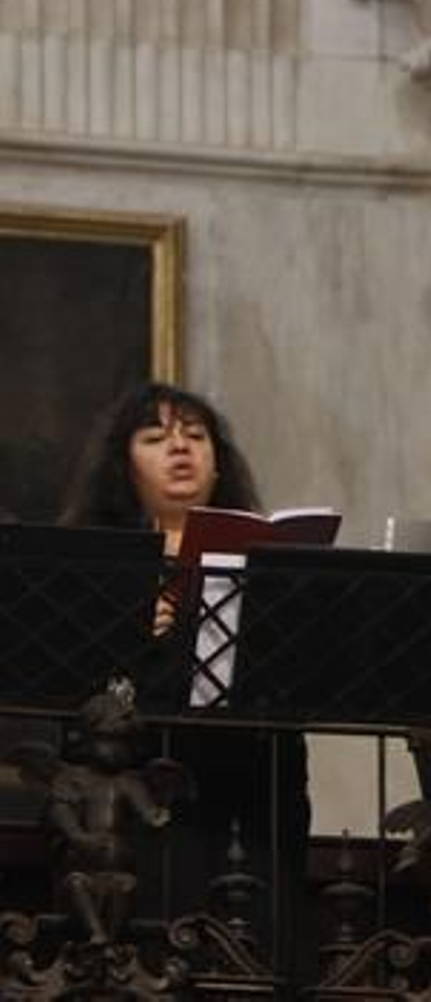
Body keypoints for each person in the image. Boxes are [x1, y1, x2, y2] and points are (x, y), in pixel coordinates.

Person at [57, 382, 310, 966]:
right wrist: (143, 622)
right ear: (123, 465)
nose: (181, 449)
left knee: (261, 953)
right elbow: (74, 685)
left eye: (196, 436)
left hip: (253, 788)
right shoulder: (90, 561)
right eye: (156, 437)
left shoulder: (262, 562)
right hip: (145, 791)